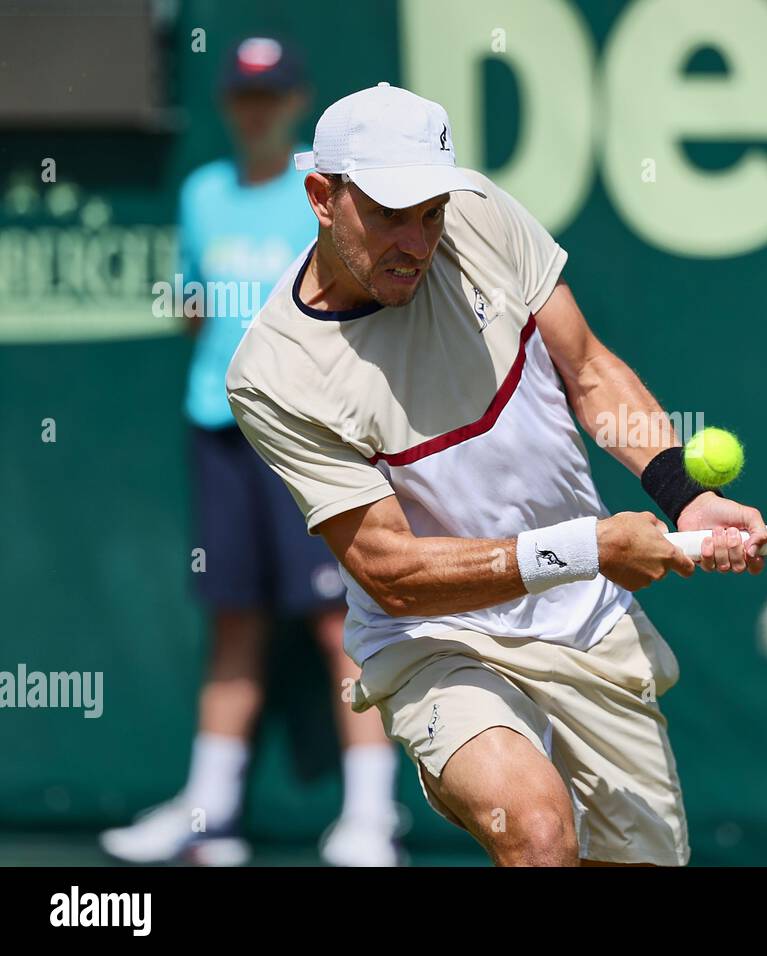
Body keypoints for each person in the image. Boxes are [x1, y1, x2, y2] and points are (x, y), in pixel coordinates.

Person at [224, 82, 767, 866]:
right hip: (433, 636)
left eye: (430, 213)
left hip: (585, 622)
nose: (417, 241)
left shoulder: (478, 213)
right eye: (387, 214)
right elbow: (392, 572)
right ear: (322, 196)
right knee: (538, 830)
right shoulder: (274, 373)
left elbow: (588, 370)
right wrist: (587, 548)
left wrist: (687, 495)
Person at [100, 40, 403, 867]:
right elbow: (192, 305)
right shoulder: (202, 194)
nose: (257, 109)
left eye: (271, 96)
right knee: (234, 623)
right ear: (230, 104)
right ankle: (210, 817)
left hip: (311, 437)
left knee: (340, 624)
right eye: (244, 96)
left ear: (297, 102)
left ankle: (373, 820)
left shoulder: (327, 198)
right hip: (221, 431)